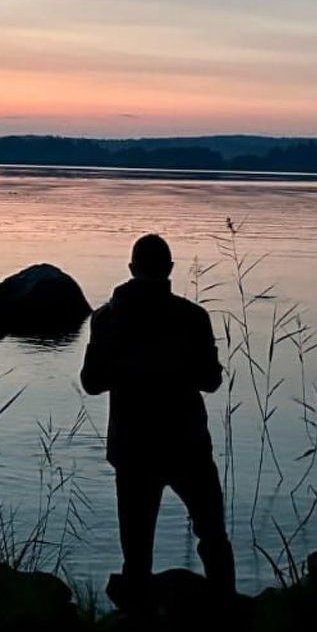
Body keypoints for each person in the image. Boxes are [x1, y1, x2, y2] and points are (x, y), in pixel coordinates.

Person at [80, 232, 235, 603]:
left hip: (133, 450)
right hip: (188, 445)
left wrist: (126, 367)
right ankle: (227, 612)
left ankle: (136, 627)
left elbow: (91, 382)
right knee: (212, 533)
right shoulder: (193, 318)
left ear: (132, 269)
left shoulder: (106, 319)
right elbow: (210, 381)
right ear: (169, 269)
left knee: (136, 550)